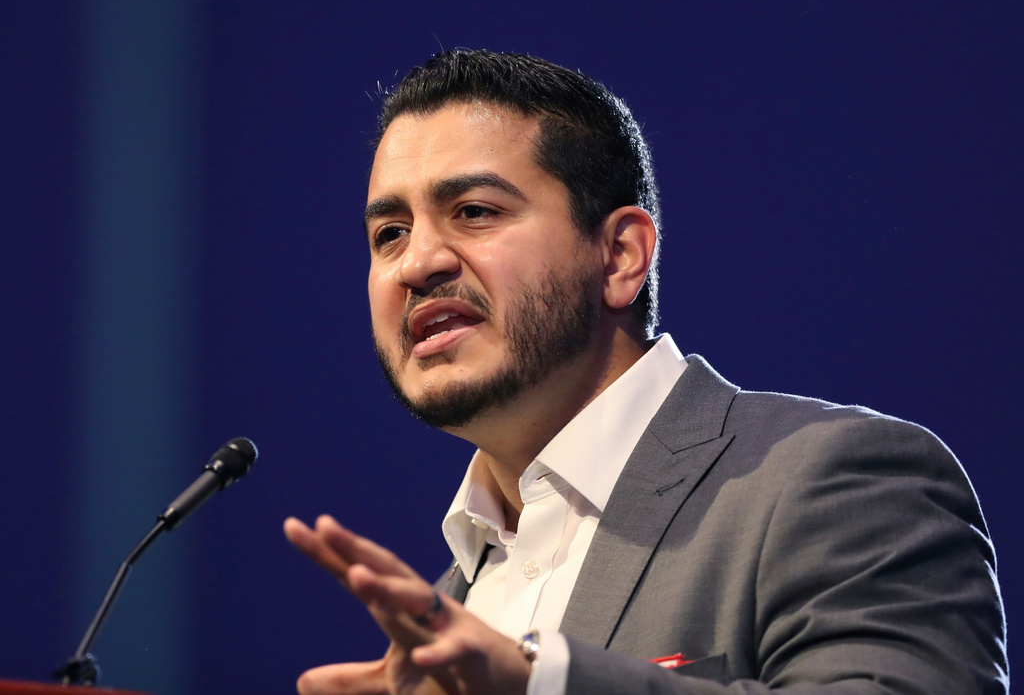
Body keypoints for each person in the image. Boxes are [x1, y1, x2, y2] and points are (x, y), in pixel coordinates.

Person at [283, 49, 1008, 694]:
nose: (416, 263)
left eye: (472, 211)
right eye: (389, 234)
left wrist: (549, 684)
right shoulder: (450, 614)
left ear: (622, 256)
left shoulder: (835, 481)